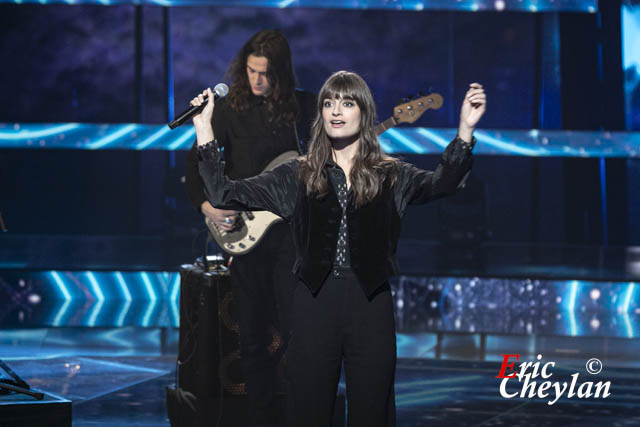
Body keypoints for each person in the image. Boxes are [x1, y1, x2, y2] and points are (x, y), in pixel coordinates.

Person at [191, 71, 486, 427]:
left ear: (364, 112)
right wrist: (204, 128)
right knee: (308, 408)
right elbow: (223, 193)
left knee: (372, 409)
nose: (336, 110)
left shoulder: (390, 175)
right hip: (313, 302)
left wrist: (465, 131)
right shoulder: (297, 174)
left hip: (370, 302)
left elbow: (443, 183)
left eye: (347, 103)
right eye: (329, 102)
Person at [184, 29, 316, 427]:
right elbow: (196, 163)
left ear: (281, 73)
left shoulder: (302, 108)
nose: (257, 80)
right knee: (253, 335)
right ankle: (260, 417)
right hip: (245, 236)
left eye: (266, 73)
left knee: (299, 333)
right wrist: (207, 207)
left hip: (292, 237)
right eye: (251, 70)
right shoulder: (228, 109)